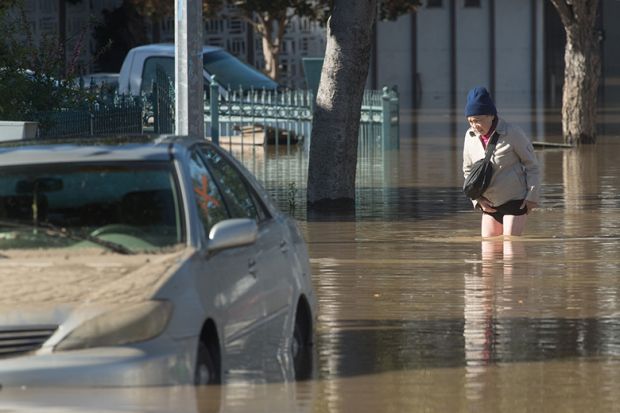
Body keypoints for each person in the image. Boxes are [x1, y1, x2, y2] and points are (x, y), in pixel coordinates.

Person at [462, 86, 540, 237]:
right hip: (489, 204)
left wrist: (532, 197)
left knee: (510, 249)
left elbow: (532, 166)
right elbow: (467, 171)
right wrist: (477, 200)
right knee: (488, 257)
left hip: (515, 200)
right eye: (470, 121)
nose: (474, 126)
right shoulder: (469, 136)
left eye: (477, 120)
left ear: (491, 115)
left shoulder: (512, 133)